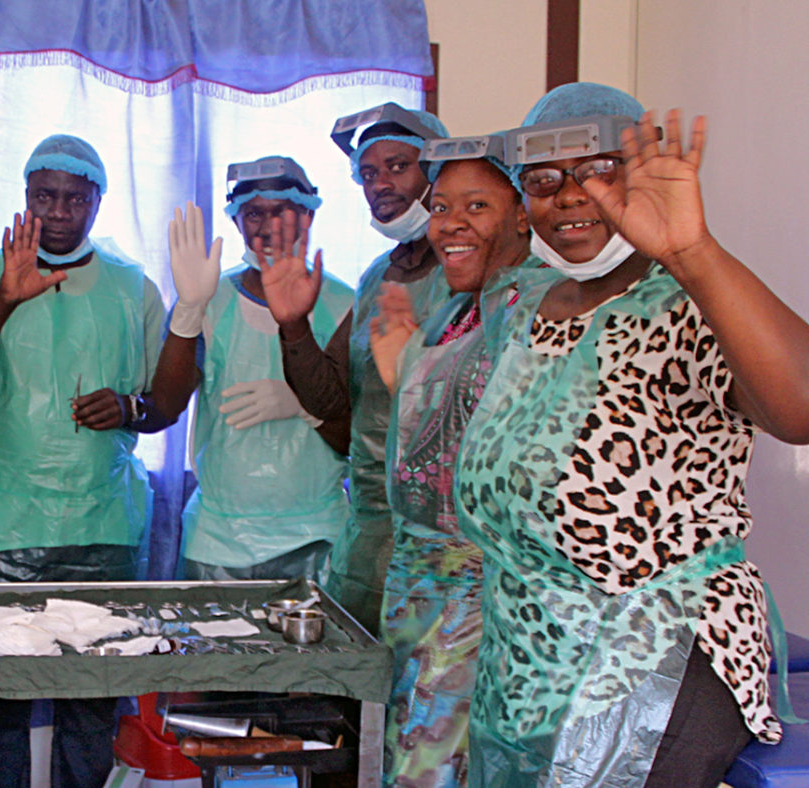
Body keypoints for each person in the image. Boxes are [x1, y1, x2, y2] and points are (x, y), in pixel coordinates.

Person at [456, 84, 809, 788]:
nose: (572, 194)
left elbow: (800, 409)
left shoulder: (688, 303)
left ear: (640, 174)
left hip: (654, 657)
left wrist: (692, 251)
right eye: (544, 179)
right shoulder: (528, 310)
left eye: (599, 170)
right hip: (526, 662)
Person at [0, 134, 169, 788]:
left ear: (98, 200)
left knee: (90, 705)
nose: (60, 212)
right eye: (45, 196)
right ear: (26, 197)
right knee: (2, 705)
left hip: (103, 521)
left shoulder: (132, 288)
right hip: (4, 519)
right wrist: (5, 299)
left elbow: (165, 400)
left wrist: (126, 407)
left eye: (75, 198)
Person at [366, 144, 536, 786]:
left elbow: (520, 457)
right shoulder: (455, 311)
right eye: (440, 207)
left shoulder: (535, 308)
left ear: (522, 214)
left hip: (481, 584)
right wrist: (403, 376)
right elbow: (439, 440)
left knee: (434, 763)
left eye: (477, 206)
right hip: (422, 577)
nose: (450, 223)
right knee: (410, 742)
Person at [262, 105, 451, 632]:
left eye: (398, 167)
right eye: (368, 174)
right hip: (370, 533)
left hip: (444, 540)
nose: (380, 184)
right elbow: (331, 401)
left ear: (436, 170)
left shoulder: (470, 274)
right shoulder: (378, 277)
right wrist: (293, 326)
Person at [151, 156, 353, 581]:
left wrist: (307, 407)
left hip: (316, 534)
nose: (266, 227)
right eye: (253, 213)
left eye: (281, 211)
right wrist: (188, 310)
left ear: (308, 215)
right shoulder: (210, 299)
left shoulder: (343, 305)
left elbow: (357, 439)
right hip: (220, 538)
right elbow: (166, 405)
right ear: (236, 220)